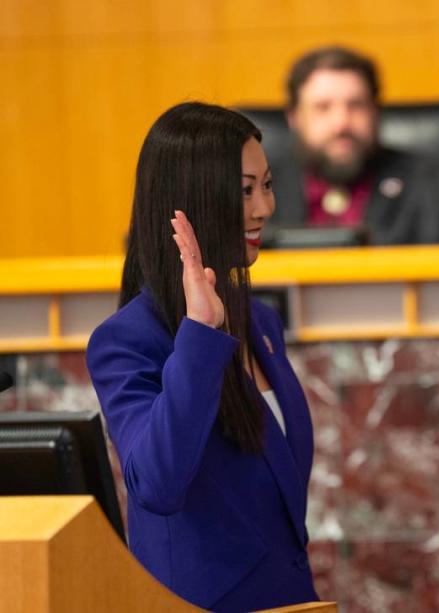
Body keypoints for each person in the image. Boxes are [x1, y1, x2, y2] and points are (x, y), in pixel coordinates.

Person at [86, 102, 320, 612]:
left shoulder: (260, 321)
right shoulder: (125, 341)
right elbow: (159, 484)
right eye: (244, 190)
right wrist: (198, 334)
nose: (264, 207)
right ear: (193, 199)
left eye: (267, 184)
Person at [270, 45, 439, 245]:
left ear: (376, 112)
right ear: (294, 118)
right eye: (323, 107)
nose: (341, 123)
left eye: (356, 105)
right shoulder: (255, 191)